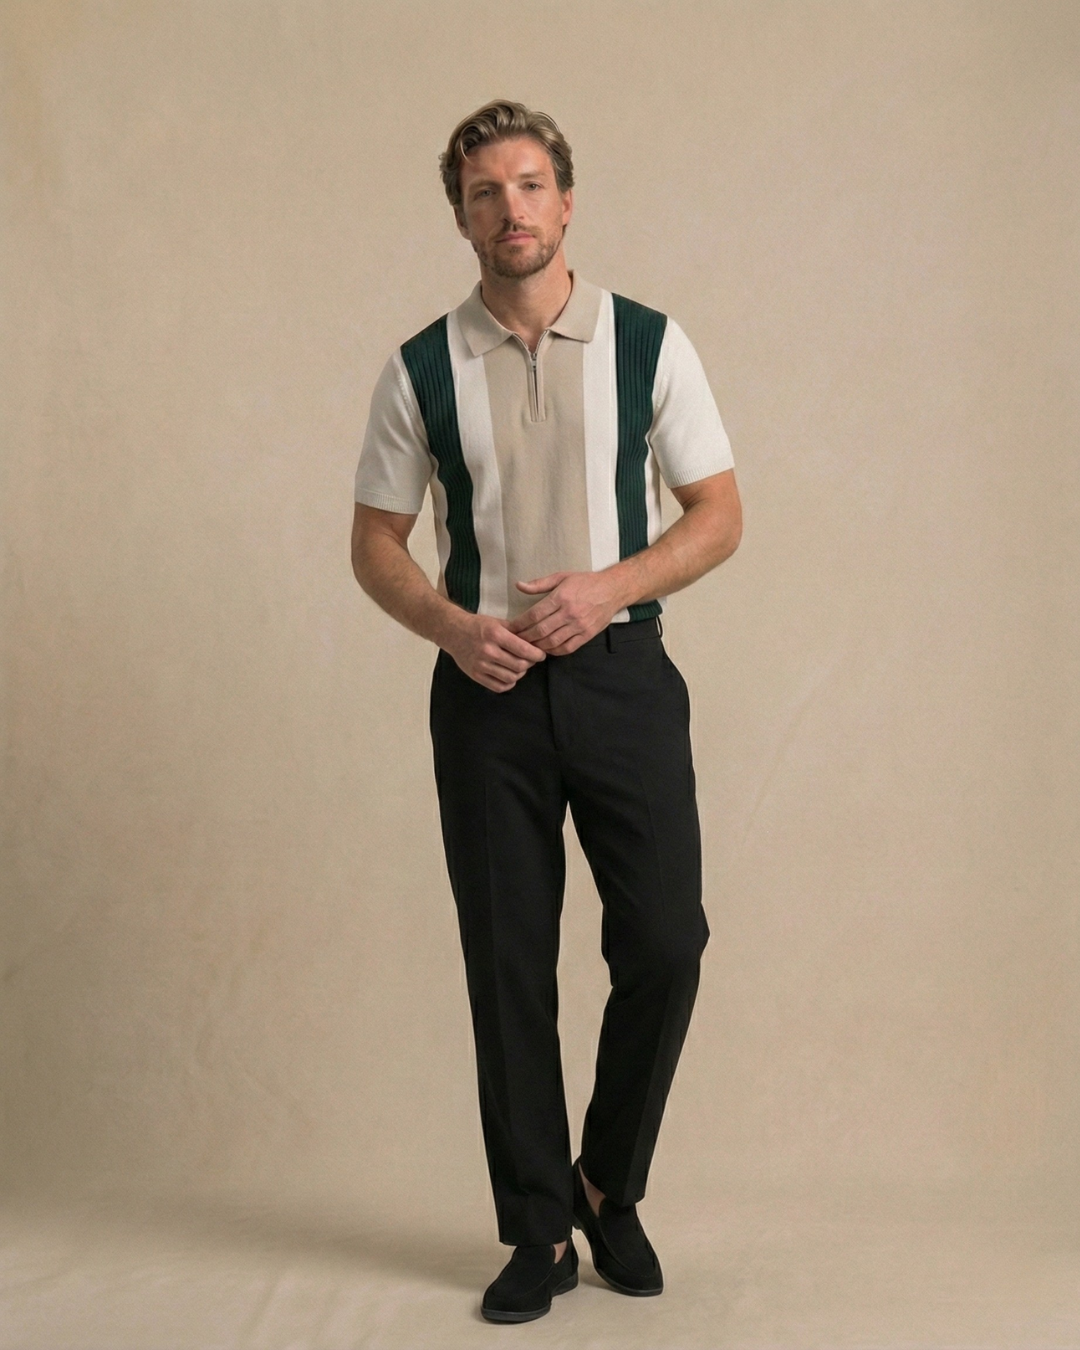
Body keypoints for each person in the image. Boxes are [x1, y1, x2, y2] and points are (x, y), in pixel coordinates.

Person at [351, 100, 742, 1323]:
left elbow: (719, 513)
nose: (509, 209)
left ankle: (605, 1185)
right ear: (461, 217)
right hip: (486, 697)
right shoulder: (421, 367)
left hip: (625, 679)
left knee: (667, 942)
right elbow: (375, 543)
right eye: (484, 192)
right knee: (508, 965)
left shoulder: (650, 344)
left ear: (566, 202)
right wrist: (452, 627)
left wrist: (609, 587)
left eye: (528, 185)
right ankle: (537, 1231)